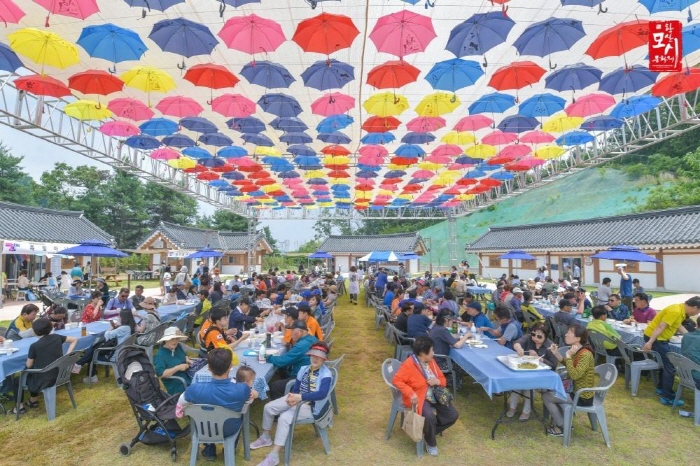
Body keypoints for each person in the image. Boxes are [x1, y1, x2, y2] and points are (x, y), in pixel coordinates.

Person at [251, 341, 332, 466]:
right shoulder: (304, 369)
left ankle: (274, 456)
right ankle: (266, 437)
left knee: (284, 418)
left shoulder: (326, 374)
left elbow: (322, 394)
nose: (315, 358)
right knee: (268, 407)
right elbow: (296, 386)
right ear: (309, 355)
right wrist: (291, 396)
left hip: (313, 406)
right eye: (313, 355)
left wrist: (300, 397)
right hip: (299, 399)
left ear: (324, 359)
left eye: (319, 357)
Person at [177, 349, 255, 462]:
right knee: (239, 415)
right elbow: (247, 402)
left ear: (208, 367)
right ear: (231, 366)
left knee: (205, 416)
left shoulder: (194, 389)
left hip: (204, 429)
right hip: (229, 428)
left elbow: (181, 404)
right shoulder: (242, 389)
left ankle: (209, 451)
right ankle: (229, 450)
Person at [393, 336, 459, 457]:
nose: (434, 353)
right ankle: (430, 442)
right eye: (432, 350)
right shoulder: (409, 364)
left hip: (436, 394)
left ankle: (428, 432)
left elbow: (442, 379)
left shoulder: (431, 362)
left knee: (453, 415)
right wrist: (410, 393)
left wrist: (437, 381)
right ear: (423, 353)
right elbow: (397, 380)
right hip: (419, 396)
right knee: (429, 416)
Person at [10, 318, 77, 414]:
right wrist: (67, 356)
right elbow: (74, 340)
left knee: (19, 379)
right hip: (59, 374)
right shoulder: (57, 337)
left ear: (35, 331)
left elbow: (29, 365)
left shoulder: (35, 346)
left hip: (45, 379)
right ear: (50, 328)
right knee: (34, 371)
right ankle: (33, 400)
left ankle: (19, 407)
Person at [642, 297, 700, 405]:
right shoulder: (676, 311)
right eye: (698, 311)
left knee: (665, 364)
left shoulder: (679, 309)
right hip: (657, 339)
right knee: (670, 367)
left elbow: (678, 325)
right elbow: (661, 326)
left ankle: (661, 388)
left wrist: (690, 337)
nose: (697, 313)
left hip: (658, 338)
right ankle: (667, 396)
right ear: (694, 307)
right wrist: (650, 342)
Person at [542, 325, 595, 436]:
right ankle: (562, 423)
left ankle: (563, 426)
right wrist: (556, 353)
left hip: (581, 396)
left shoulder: (585, 354)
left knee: (546, 396)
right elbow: (569, 365)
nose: (565, 334)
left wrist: (569, 355)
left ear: (577, 338)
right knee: (548, 391)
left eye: (569, 333)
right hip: (574, 390)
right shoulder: (578, 350)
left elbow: (574, 375)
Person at [507, 322, 558, 421]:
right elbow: (517, 343)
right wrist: (519, 348)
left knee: (530, 388)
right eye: (533, 334)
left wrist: (538, 358)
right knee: (516, 385)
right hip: (524, 371)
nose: (535, 338)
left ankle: (526, 411)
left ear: (546, 337)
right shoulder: (528, 338)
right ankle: (512, 407)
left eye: (539, 336)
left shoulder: (550, 346)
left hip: (540, 375)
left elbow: (553, 365)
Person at [73, 308, 137, 383]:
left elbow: (107, 335)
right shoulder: (130, 326)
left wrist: (111, 328)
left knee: (92, 351)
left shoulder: (123, 328)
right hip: (123, 352)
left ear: (123, 317)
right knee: (93, 348)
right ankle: (81, 366)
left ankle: (87, 371)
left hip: (114, 355)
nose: (119, 317)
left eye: (120, 316)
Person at [266, 320, 318, 400]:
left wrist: (267, 357)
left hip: (303, 378)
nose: (291, 333)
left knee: (275, 386)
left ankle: (282, 407)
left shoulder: (301, 345)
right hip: (311, 372)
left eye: (292, 331)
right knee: (282, 368)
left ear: (300, 332)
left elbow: (282, 361)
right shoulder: (312, 338)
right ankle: (286, 390)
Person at [154, 327, 192, 395]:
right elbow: (161, 374)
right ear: (166, 340)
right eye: (172, 339)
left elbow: (184, 354)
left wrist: (187, 359)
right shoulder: (160, 355)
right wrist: (178, 368)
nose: (175, 341)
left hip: (188, 376)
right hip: (177, 383)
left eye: (177, 338)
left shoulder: (178, 346)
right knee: (200, 389)